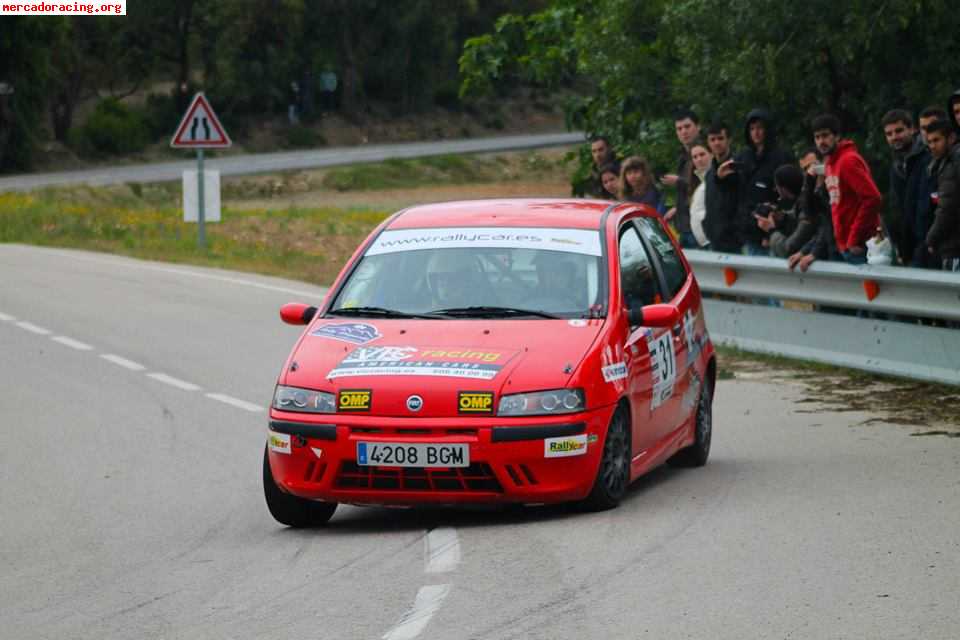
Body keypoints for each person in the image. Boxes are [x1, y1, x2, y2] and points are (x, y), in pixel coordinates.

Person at [811, 113, 881, 266]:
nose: (821, 141)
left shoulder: (848, 161)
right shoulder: (830, 163)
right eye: (817, 137)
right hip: (843, 245)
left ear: (837, 136)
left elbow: (873, 198)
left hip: (860, 247)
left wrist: (854, 238)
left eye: (825, 136)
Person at [732, 108, 794, 256]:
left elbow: (788, 196)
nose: (756, 132)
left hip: (772, 230)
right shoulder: (742, 157)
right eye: (752, 128)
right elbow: (737, 194)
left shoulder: (781, 157)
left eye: (760, 127)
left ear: (767, 129)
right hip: (748, 231)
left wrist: (770, 233)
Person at [881, 109, 935, 267]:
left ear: (913, 129)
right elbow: (898, 210)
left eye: (899, 131)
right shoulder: (896, 166)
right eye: (889, 134)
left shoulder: (928, 157)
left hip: (929, 244)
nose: (894, 137)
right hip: (909, 246)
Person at [787, 151, 837, 272]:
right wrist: (805, 251)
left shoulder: (832, 190)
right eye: (805, 169)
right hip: (829, 250)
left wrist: (813, 252)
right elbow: (822, 227)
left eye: (815, 167)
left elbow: (829, 227)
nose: (811, 172)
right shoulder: (810, 194)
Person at [660, 109, 701, 247]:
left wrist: (678, 181)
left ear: (698, 127)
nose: (684, 131)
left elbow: (704, 186)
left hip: (699, 226)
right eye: (679, 128)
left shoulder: (704, 152)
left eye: (687, 126)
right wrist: (677, 208)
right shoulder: (683, 155)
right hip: (683, 225)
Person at [924, 120, 960, 271]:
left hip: (955, 247)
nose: (932, 145)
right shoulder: (942, 164)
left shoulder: (951, 166)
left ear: (951, 138)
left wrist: (931, 239)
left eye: (936, 140)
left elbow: (946, 208)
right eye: (929, 141)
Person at [703, 122, 742, 253]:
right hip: (714, 239)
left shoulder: (738, 167)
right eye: (712, 139)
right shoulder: (709, 173)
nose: (716, 143)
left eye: (720, 138)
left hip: (735, 241)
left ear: (729, 140)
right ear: (708, 143)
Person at [687, 141, 714, 248]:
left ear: (711, 154)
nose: (699, 159)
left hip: (714, 241)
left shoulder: (717, 178)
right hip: (704, 243)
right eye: (695, 157)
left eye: (702, 154)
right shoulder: (699, 183)